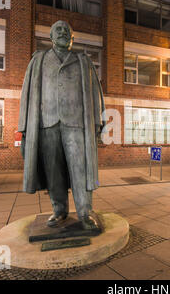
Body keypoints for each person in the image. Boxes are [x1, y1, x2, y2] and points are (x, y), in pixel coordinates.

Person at [18, 20, 106, 230]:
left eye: (67, 31)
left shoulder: (83, 61)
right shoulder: (38, 60)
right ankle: (59, 210)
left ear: (72, 38)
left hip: (76, 124)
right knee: (53, 171)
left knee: (80, 169)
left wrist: (97, 121)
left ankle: (85, 212)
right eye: (58, 30)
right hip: (47, 123)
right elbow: (26, 95)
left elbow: (95, 93)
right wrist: (24, 127)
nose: (63, 32)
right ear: (50, 36)